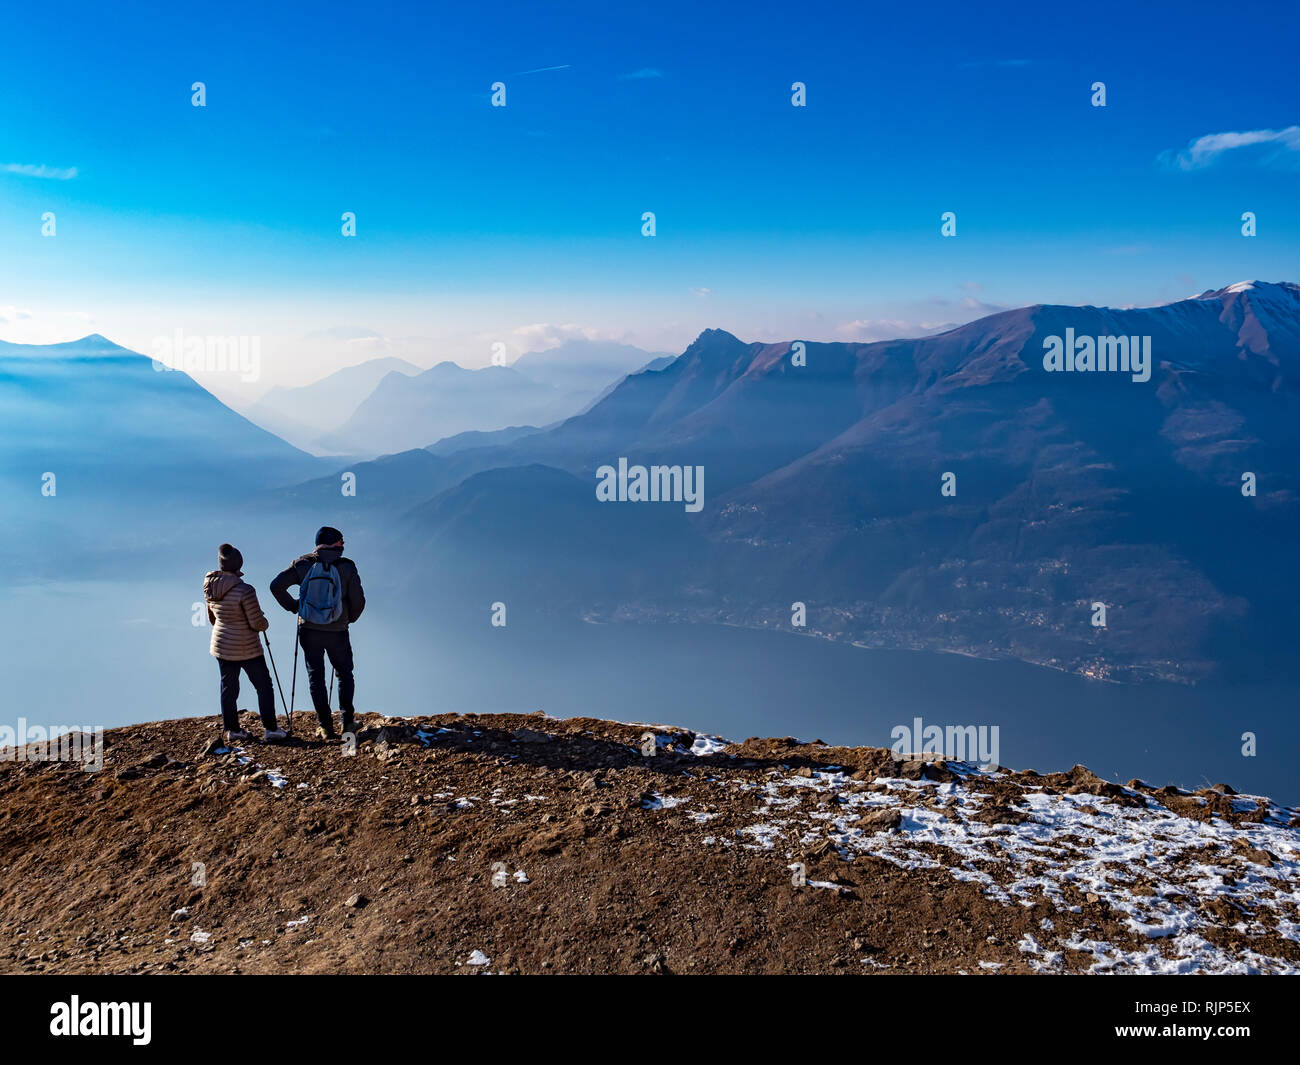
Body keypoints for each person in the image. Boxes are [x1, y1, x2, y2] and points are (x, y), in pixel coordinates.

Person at [270, 526, 365, 740]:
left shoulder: (303, 565)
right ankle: (347, 723)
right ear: (336, 544)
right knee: (344, 673)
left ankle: (324, 726)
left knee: (316, 675)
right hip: (337, 630)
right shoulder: (346, 567)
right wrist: (347, 619)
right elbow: (358, 601)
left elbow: (276, 586)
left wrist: (296, 607)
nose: (343, 546)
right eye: (342, 542)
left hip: (309, 629)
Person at [205, 543, 286, 743]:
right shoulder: (245, 590)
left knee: (228, 687)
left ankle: (233, 730)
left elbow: (212, 618)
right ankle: (271, 729)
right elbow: (256, 623)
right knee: (264, 686)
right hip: (247, 646)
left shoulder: (210, 585)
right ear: (239, 564)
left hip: (221, 644)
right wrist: (264, 622)